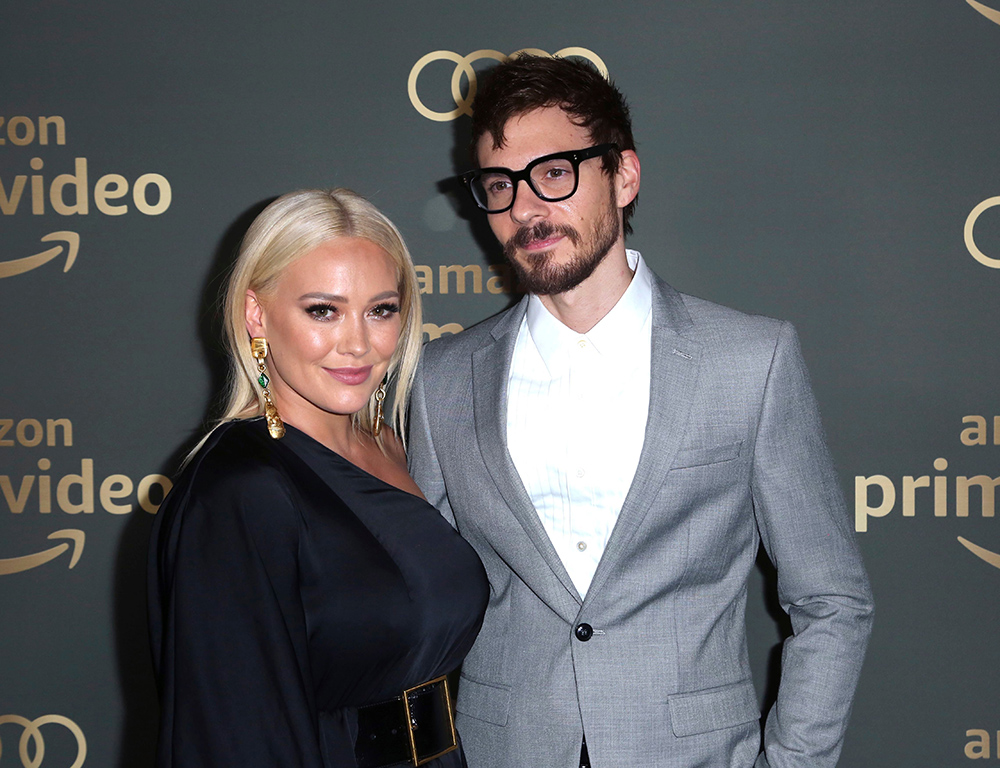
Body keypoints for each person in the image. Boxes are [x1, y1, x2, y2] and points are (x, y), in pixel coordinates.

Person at [408, 56, 874, 768]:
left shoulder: (750, 361)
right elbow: (417, 609)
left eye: (556, 172)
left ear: (623, 175)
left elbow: (832, 600)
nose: (526, 208)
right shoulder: (441, 381)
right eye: (500, 186)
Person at [148, 188, 488, 768]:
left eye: (381, 310)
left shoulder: (393, 443)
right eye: (322, 310)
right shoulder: (241, 492)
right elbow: (234, 738)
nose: (357, 343)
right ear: (257, 314)